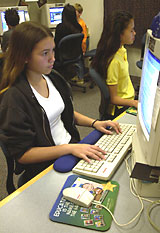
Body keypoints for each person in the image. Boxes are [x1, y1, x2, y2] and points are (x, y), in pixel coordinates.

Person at [0, 21, 121, 185]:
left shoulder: (51, 77)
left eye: (53, 51)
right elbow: (23, 154)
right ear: (25, 57)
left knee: (113, 170)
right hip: (47, 165)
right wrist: (69, 148)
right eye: (44, 53)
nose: (53, 58)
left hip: (70, 150)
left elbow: (64, 111)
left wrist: (95, 123)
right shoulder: (14, 99)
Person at [92, 10, 138, 119]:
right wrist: (134, 103)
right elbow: (114, 99)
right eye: (131, 30)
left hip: (129, 97)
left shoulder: (121, 49)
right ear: (120, 34)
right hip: (121, 107)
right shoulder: (114, 61)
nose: (134, 33)